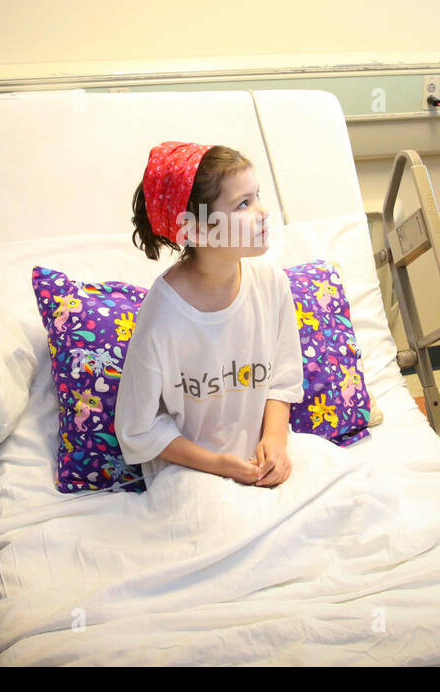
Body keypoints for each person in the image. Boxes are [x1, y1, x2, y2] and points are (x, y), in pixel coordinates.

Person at [114, 142, 303, 488]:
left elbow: (283, 377)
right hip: (190, 475)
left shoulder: (271, 283)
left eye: (257, 196)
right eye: (243, 204)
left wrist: (276, 439)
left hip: (264, 462)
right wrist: (218, 465)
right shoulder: (163, 316)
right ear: (197, 230)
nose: (262, 212)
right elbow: (137, 428)